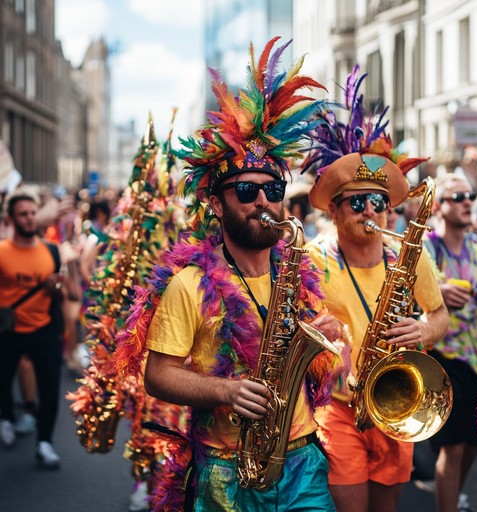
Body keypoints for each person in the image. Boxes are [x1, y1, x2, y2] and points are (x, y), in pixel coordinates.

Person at [113, 37, 348, 511]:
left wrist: (331, 337)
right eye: (246, 190)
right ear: (217, 204)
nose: (264, 200)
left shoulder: (299, 274)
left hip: (303, 460)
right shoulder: (191, 284)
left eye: (274, 188)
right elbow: (157, 376)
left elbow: (328, 366)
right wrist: (227, 390)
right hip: (225, 468)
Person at [302, 66, 450, 512]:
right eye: (359, 202)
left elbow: (440, 316)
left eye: (381, 202)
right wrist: (326, 346)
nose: (373, 211)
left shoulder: (409, 255)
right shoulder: (311, 259)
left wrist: (424, 332)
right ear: (333, 209)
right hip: (339, 405)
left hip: (395, 402)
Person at [423, 173, 477, 512]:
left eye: (469, 196)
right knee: (453, 447)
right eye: (457, 197)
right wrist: (436, 291)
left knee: (472, 444)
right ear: (439, 207)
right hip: (439, 356)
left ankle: (453, 496)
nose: (467, 202)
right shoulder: (426, 248)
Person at [0, 188, 64, 468]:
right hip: (9, 332)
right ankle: (7, 418)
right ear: (11, 218)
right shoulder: (2, 252)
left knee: (50, 389)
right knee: (3, 382)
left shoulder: (51, 251)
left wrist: (55, 288)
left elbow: (63, 295)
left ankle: (45, 442)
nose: (29, 218)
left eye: (32, 213)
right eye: (23, 214)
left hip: (45, 330)